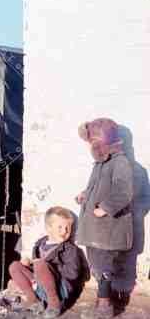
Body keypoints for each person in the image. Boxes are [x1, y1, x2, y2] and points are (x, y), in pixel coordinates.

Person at [75, 118, 133, 318]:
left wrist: (105, 208)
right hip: (95, 229)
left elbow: (124, 192)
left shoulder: (120, 163)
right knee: (97, 265)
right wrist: (85, 194)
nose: (91, 146)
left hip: (109, 229)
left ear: (103, 141)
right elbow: (95, 187)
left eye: (93, 141)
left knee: (104, 266)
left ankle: (105, 306)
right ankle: (103, 299)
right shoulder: (100, 164)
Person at [9, 206, 87, 318]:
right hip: (40, 285)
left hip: (59, 289)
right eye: (60, 227)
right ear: (48, 228)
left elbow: (73, 274)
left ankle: (54, 305)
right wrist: (29, 263)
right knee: (14, 266)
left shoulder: (70, 249)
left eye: (68, 228)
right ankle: (34, 301)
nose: (64, 231)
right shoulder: (40, 244)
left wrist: (50, 267)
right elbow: (37, 266)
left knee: (40, 265)